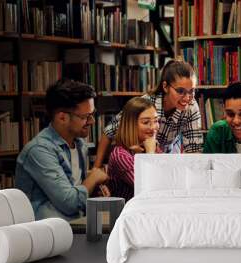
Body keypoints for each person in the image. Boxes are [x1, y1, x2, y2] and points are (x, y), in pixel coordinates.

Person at [15, 79, 109, 220]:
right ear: (62, 118)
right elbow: (69, 202)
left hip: (74, 225)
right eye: (85, 116)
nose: (92, 121)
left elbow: (76, 187)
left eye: (92, 114)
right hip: (45, 234)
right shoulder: (39, 150)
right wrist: (93, 178)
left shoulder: (80, 144)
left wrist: (93, 191)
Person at [93, 59, 203, 168]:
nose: (187, 97)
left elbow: (193, 151)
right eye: (180, 91)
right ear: (165, 87)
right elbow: (109, 132)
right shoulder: (147, 103)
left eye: (192, 91)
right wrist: (96, 168)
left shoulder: (191, 106)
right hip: (136, 160)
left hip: (166, 160)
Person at [106, 97, 160, 202]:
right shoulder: (120, 155)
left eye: (156, 121)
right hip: (125, 214)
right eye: (146, 122)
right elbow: (150, 189)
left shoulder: (150, 145)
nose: (154, 127)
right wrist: (150, 153)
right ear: (131, 124)